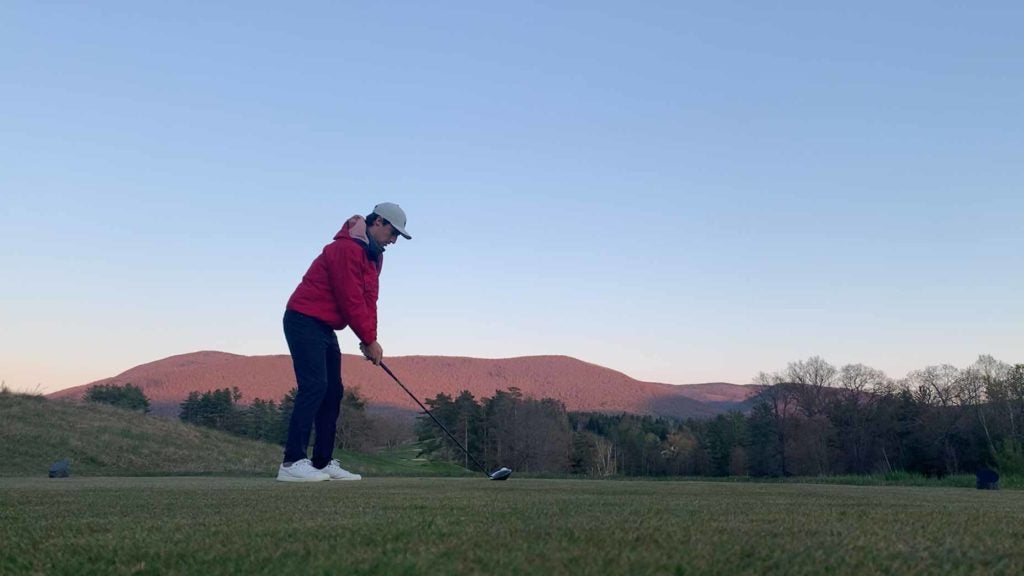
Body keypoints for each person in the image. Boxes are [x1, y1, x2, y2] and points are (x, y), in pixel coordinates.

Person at [276, 202, 411, 482]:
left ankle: (322, 462)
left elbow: (367, 301)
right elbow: (349, 298)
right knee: (315, 386)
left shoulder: (375, 256)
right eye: (393, 232)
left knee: (333, 391)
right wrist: (368, 339)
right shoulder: (345, 249)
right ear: (378, 223)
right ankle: (291, 462)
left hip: (325, 327)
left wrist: (369, 340)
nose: (395, 240)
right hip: (303, 318)